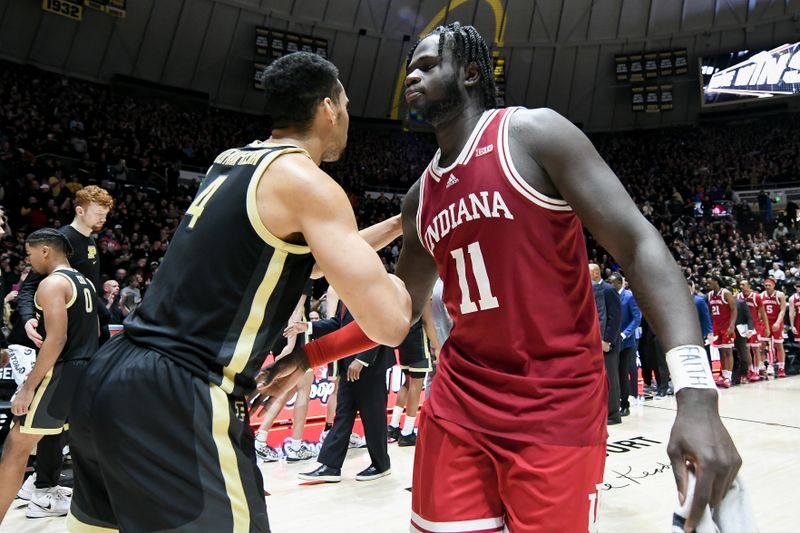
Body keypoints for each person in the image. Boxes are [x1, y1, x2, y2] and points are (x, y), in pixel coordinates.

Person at [264, 22, 740, 533]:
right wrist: (309, 355)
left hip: (555, 406)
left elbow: (639, 245)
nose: (413, 77)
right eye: (410, 70)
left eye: (428, 66)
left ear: (471, 73)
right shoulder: (420, 197)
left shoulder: (533, 134)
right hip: (458, 406)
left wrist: (695, 391)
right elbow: (396, 317)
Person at [65, 51, 411, 532]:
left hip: (114, 375)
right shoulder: (308, 182)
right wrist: (404, 275)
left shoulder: (232, 160)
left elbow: (310, 265)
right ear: (329, 109)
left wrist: (397, 224)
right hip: (180, 392)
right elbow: (390, 323)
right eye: (347, 105)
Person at [13, 186, 112, 517]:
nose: (104, 217)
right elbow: (29, 286)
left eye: (106, 213)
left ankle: (42, 483)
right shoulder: (56, 243)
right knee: (37, 428)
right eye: (99, 212)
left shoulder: (91, 245)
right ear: (81, 210)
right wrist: (27, 319)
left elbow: (90, 294)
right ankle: (40, 484)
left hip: (79, 344)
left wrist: (103, 320)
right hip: (57, 344)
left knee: (63, 422)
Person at [0, 229, 98, 522]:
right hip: (85, 370)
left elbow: (56, 339)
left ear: (45, 251)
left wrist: (28, 387)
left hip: (62, 371)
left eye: (29, 254)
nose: (28, 261)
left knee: (15, 449)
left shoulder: (52, 283)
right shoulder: (85, 282)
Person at [295, 300, 393, 483]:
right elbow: (338, 325)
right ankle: (331, 466)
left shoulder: (370, 289)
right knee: (342, 414)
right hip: (347, 363)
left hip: (369, 366)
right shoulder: (347, 293)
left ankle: (381, 465)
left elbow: (379, 324)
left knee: (373, 417)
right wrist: (309, 326)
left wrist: (363, 360)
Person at [387, 319, 432, 445]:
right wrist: (437, 345)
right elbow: (428, 322)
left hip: (404, 341)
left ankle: (393, 426)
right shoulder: (422, 299)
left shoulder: (401, 298)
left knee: (406, 383)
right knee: (415, 387)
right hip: (418, 342)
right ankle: (407, 432)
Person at [590, 264, 622, 424]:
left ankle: (613, 414)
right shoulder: (591, 290)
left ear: (596, 273)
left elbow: (615, 317)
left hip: (608, 342)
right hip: (595, 342)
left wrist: (607, 340)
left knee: (611, 378)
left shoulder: (608, 290)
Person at [609, 273, 641, 417]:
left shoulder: (629, 296)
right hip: (611, 340)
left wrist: (625, 333)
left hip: (626, 341)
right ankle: (613, 402)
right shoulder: (609, 295)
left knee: (623, 373)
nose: (610, 285)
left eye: (612, 282)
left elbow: (636, 318)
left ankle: (625, 404)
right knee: (612, 373)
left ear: (620, 282)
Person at [707, 276, 737, 388]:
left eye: (709, 282)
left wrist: (732, 325)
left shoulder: (726, 293)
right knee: (720, 352)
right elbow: (710, 312)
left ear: (716, 282)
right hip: (716, 327)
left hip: (726, 326)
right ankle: (723, 375)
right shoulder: (709, 295)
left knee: (728, 351)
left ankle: (728, 377)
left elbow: (734, 309)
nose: (707, 284)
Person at [737, 279, 768, 382]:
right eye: (740, 284)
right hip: (742, 326)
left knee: (755, 349)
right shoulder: (737, 296)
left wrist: (766, 327)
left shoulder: (756, 297)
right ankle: (750, 370)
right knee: (746, 349)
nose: (741, 286)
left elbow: (763, 313)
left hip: (754, 325)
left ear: (749, 286)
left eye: (743, 284)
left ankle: (757, 369)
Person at [761, 277, 787, 378]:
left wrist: (777, 322)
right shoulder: (761, 295)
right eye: (766, 285)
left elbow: (783, 310)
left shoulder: (780, 295)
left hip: (777, 322)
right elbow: (760, 312)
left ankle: (781, 368)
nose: (767, 287)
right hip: (765, 323)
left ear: (773, 285)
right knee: (762, 345)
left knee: (778, 345)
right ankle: (764, 366)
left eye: (769, 285)